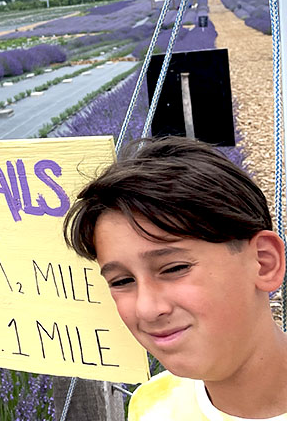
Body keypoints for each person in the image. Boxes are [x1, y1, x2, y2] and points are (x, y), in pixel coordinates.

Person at [64, 136, 287, 420]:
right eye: (122, 281)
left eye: (173, 268)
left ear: (263, 263)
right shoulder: (151, 405)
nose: (147, 308)